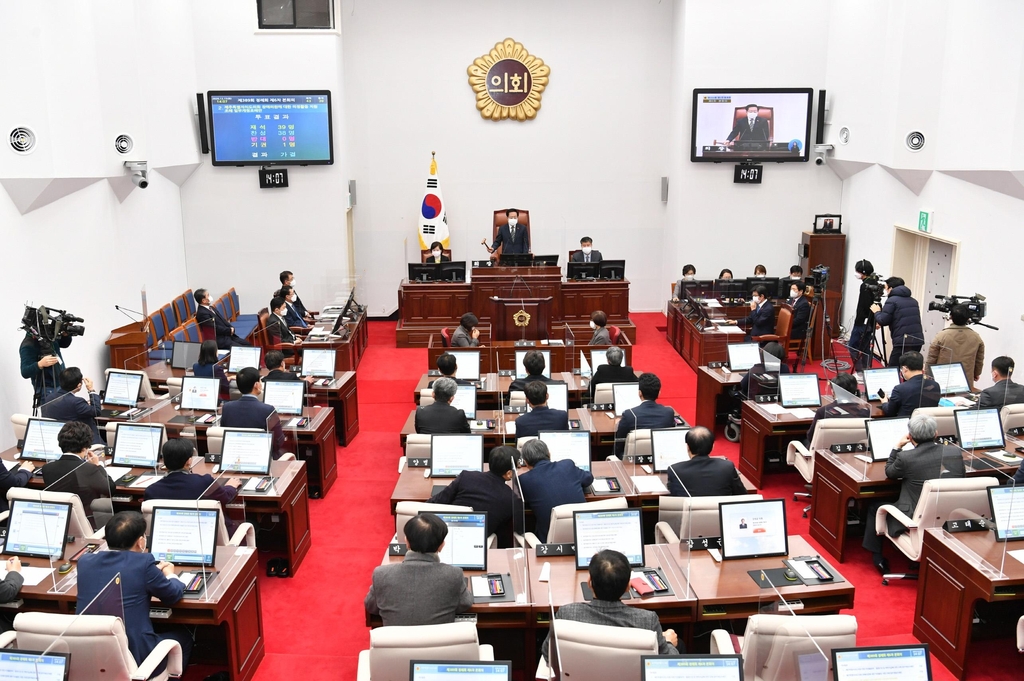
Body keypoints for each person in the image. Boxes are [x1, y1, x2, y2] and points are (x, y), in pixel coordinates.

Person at [76, 511, 192, 672]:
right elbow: (172, 595)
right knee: (185, 638)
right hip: (136, 655)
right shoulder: (143, 563)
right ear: (141, 541)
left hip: (93, 656)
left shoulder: (85, 561)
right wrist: (170, 574)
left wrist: (151, 573)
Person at [862, 414, 965, 573]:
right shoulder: (954, 452)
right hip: (948, 516)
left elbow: (890, 472)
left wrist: (897, 446)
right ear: (936, 434)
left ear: (910, 437)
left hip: (916, 517)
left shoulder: (906, 457)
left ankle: (877, 558)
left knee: (874, 507)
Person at [541, 550, 678, 661]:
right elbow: (667, 664)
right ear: (627, 587)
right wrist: (669, 642)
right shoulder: (647, 621)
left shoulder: (567, 614)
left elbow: (548, 654)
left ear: (589, 583)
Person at [364, 512, 473, 626]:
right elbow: (465, 604)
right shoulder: (453, 574)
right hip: (438, 643)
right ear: (441, 545)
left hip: (398, 643)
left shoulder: (381, 574)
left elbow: (371, 607)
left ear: (407, 542)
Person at [429, 446, 517, 548]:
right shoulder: (511, 498)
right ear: (509, 473)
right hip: (474, 545)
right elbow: (504, 536)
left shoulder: (466, 476)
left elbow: (437, 501)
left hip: (442, 535)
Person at [40, 422, 116, 528]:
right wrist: (98, 466)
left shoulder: (47, 468)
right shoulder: (87, 469)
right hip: (88, 524)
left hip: (59, 523)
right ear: (85, 448)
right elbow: (110, 488)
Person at [518, 440, 594, 543]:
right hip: (585, 537)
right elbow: (588, 478)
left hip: (550, 545)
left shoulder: (524, 480)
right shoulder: (567, 465)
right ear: (549, 454)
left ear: (526, 462)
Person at [144, 438, 242, 508]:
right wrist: (230, 487)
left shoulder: (151, 491)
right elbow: (225, 498)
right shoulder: (204, 482)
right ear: (189, 461)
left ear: (164, 461)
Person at [221, 367, 286, 457]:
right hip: (262, 457)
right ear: (256, 385)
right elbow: (278, 442)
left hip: (235, 456)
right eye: (260, 381)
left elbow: (224, 435)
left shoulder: (227, 408)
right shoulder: (268, 410)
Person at [666, 427, 744, 497]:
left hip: (690, 512)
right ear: (713, 446)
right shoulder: (727, 467)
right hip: (719, 512)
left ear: (688, 447)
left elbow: (674, 495)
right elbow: (741, 494)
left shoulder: (675, 470)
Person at [925, 305, 985, 391]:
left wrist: (928, 375)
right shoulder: (976, 337)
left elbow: (932, 358)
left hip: (942, 379)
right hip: (965, 380)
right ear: (968, 319)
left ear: (951, 317)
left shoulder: (941, 336)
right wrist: (976, 373)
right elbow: (979, 359)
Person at [614, 373, 675, 456]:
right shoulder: (668, 413)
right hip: (659, 459)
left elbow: (619, 443)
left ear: (640, 393)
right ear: (659, 393)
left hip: (631, 464)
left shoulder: (629, 415)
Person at [41, 367, 103, 444]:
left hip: (63, 442)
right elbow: (96, 411)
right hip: (84, 442)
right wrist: (91, 390)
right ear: (79, 385)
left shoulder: (49, 398)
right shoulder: (77, 402)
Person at [871, 277, 923, 366]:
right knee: (911, 368)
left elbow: (883, 320)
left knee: (893, 369)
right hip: (917, 340)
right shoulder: (913, 301)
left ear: (890, 288)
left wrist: (877, 312)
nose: (885, 291)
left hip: (902, 342)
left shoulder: (892, 300)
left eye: (886, 288)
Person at [805, 373, 872, 443]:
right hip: (855, 451)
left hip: (826, 452)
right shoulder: (865, 411)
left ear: (833, 391)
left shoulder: (823, 411)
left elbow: (811, 437)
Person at [879, 351, 940, 417]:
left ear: (905, 369)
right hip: (928, 424)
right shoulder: (935, 385)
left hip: (907, 425)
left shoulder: (899, 389)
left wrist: (884, 402)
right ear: (923, 367)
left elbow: (890, 412)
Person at [20, 330, 72, 406]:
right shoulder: (28, 345)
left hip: (62, 383)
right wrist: (39, 364)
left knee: (66, 414)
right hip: (46, 389)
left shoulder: (49, 336)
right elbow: (25, 372)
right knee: (52, 416)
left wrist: (66, 335)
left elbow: (64, 344)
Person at [848, 259, 878, 371]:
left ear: (862, 272)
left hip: (862, 322)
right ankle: (866, 370)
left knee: (852, 347)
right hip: (870, 321)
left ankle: (860, 371)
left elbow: (865, 305)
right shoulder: (874, 283)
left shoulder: (866, 286)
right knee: (865, 348)